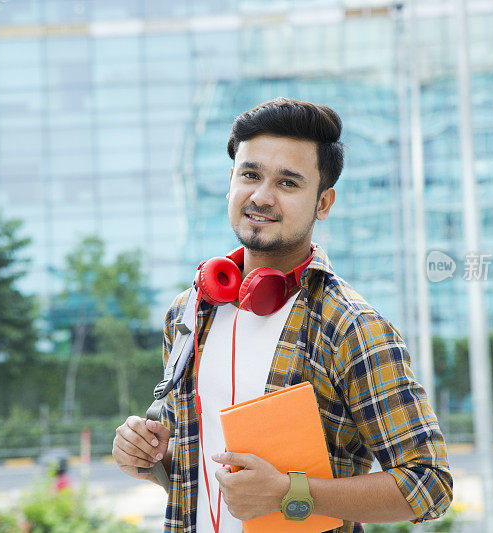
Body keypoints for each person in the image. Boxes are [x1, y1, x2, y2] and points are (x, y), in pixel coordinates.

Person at [113, 98, 452, 532]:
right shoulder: (189, 312)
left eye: (288, 183)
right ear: (230, 180)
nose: (261, 196)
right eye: (249, 174)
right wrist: (152, 458)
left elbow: (430, 484)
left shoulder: (351, 326)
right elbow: (204, 479)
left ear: (323, 202)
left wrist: (290, 494)